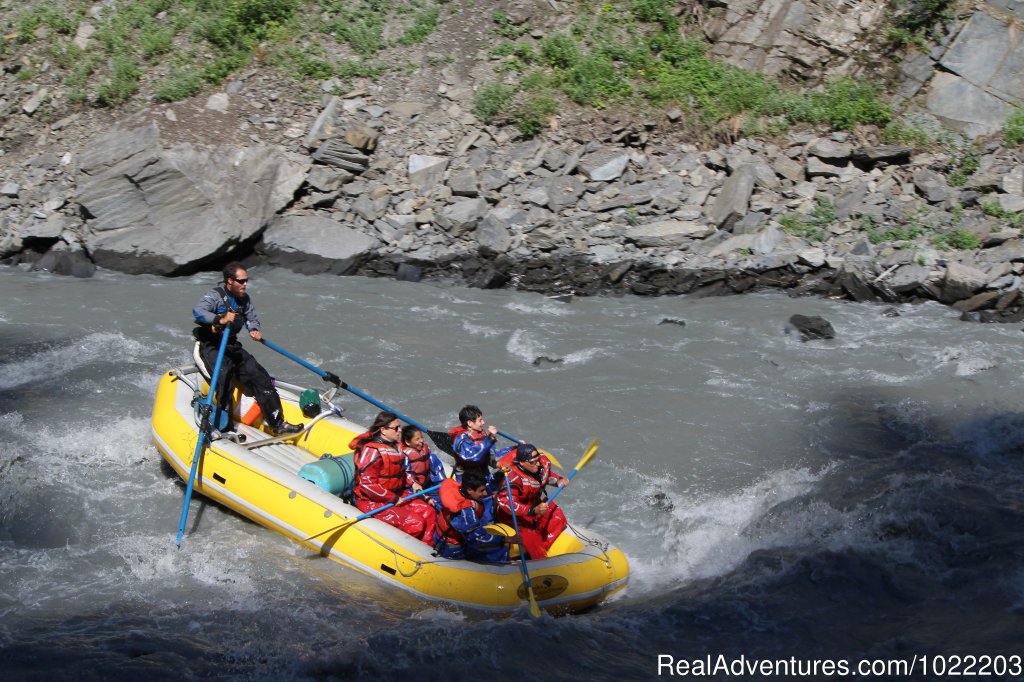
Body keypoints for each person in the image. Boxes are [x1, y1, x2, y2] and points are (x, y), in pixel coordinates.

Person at [192, 262, 302, 435]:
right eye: (241, 281)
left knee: (260, 376)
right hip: (211, 345)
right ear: (230, 281)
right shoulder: (215, 295)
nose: (245, 284)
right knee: (223, 377)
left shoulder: (245, 299)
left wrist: (254, 329)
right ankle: (223, 426)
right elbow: (198, 312)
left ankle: (277, 423)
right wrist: (220, 319)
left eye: (246, 281)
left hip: (230, 345)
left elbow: (252, 318)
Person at [353, 411, 436, 543]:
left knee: (429, 513)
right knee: (415, 523)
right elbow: (366, 485)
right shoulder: (372, 451)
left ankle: (428, 549)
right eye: (396, 428)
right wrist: (392, 498)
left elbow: (402, 471)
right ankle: (407, 552)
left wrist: (412, 482)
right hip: (374, 501)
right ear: (383, 430)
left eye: (399, 427)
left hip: (397, 494)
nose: (400, 430)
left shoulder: (396, 447)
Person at [495, 443, 568, 559]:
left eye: (538, 460)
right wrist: (532, 510)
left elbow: (545, 476)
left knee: (558, 516)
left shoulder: (540, 465)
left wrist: (558, 480)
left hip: (535, 506)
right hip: (517, 515)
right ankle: (536, 555)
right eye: (533, 462)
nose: (538, 464)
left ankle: (543, 546)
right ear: (522, 463)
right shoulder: (513, 478)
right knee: (530, 536)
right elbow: (505, 502)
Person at [434, 469, 520, 563]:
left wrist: (499, 474)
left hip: (445, 536)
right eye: (482, 491)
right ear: (469, 490)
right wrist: (507, 539)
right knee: (500, 550)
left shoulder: (460, 489)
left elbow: (487, 487)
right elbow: (479, 539)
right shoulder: (464, 512)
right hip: (452, 548)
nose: (485, 493)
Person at [447, 404, 513, 491]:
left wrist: (514, 449)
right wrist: (490, 439)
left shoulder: (482, 435)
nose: (483, 423)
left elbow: (494, 455)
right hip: (468, 482)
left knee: (511, 474)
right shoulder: (461, 440)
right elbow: (473, 457)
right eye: (480, 420)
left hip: (484, 477)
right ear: (470, 423)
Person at [400, 424, 446, 504]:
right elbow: (406, 474)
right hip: (413, 489)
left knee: (445, 497)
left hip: (428, 485)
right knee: (434, 504)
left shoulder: (426, 451)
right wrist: (421, 493)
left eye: (421, 437)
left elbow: (437, 467)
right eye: (417, 439)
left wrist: (443, 484)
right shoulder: (405, 456)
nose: (421, 440)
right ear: (408, 442)